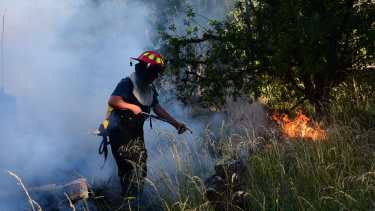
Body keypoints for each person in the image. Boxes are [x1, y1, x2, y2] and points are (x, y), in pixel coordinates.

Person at [106, 50, 187, 199]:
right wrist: (132, 107)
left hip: (136, 131)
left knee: (141, 165)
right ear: (146, 70)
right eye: (154, 73)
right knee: (128, 167)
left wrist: (176, 124)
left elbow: (157, 108)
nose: (155, 77)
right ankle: (128, 202)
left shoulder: (150, 90)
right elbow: (113, 100)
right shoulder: (127, 83)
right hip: (119, 131)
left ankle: (138, 199)